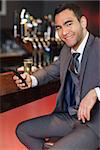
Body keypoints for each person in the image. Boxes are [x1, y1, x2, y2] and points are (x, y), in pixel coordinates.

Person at [13, 2, 100, 150]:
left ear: (83, 22)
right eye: (59, 27)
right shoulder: (66, 51)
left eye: (68, 24)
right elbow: (50, 70)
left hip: (94, 124)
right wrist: (31, 79)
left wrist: (95, 93)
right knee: (23, 130)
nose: (64, 32)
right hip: (70, 117)